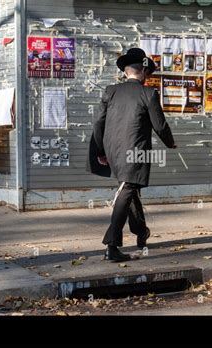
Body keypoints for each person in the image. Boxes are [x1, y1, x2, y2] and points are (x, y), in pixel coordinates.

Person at [87, 48, 176, 262]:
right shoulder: (148, 93)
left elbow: (98, 122)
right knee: (127, 189)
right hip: (136, 150)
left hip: (112, 149)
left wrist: (100, 150)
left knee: (129, 187)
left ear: (126, 71)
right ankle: (112, 245)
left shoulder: (110, 91)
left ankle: (140, 231)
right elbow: (160, 125)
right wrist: (171, 143)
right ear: (144, 71)